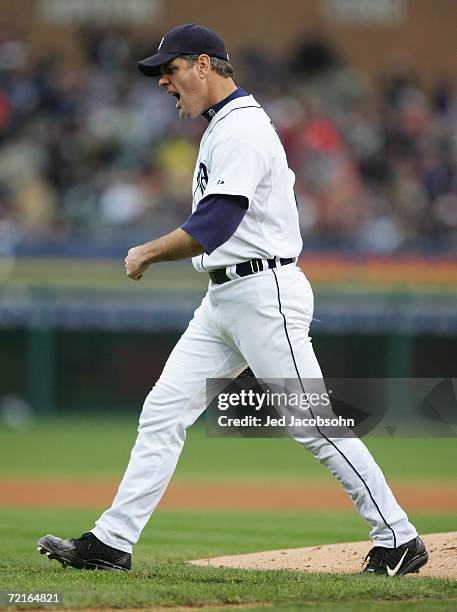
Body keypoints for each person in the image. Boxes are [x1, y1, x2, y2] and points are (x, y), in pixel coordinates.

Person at [37, 24, 428, 576]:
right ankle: (111, 542)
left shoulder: (241, 128)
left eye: (169, 71)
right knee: (163, 412)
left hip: (262, 291)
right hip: (225, 298)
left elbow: (216, 223)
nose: (164, 84)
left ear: (203, 65)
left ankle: (399, 538)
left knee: (313, 425)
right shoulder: (223, 126)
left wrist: (148, 251)